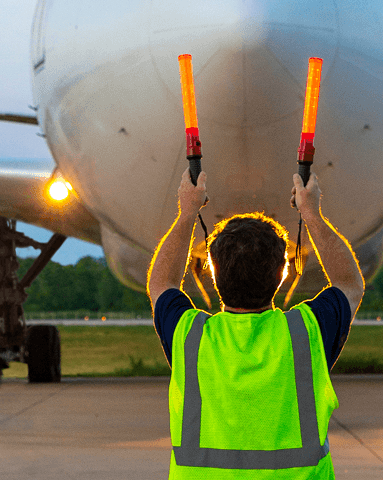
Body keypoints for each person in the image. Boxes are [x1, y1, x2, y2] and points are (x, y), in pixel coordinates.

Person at [147, 169, 364, 479]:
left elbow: (161, 284)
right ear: (282, 275)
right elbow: (350, 284)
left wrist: (187, 214)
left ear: (214, 272)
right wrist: (311, 214)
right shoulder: (306, 331)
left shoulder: (189, 336)